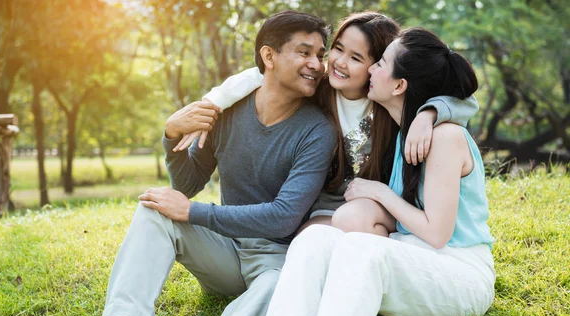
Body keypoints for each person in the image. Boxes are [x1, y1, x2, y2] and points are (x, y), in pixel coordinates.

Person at [223, 27, 495, 316]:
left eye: (380, 63)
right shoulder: (404, 136)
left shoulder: (444, 138)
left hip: (460, 272)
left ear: (399, 85)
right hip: (415, 257)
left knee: (361, 248)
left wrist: (380, 192)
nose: (369, 70)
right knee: (317, 236)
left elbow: (437, 234)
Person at [93, 11, 337, 316]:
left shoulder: (318, 131)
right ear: (268, 56)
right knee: (154, 205)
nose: (316, 64)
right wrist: (171, 133)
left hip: (275, 263)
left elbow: (283, 217)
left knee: (277, 283)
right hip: (226, 253)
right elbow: (188, 184)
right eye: (304, 52)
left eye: (320, 54)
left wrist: (194, 213)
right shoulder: (227, 112)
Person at [190, 12, 479, 238]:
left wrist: (429, 113)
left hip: (375, 210)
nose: (339, 62)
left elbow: (464, 100)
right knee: (307, 246)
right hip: (322, 212)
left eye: (355, 58)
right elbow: (259, 76)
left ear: (380, 66)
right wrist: (212, 103)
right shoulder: (317, 88)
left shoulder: (386, 104)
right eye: (338, 49)